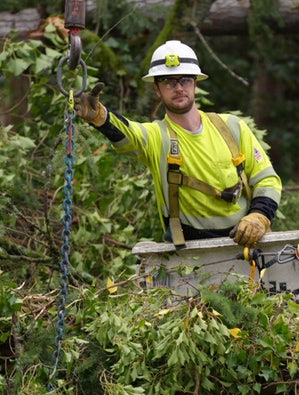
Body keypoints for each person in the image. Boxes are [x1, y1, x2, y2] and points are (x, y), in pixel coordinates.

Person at [74, 40, 282, 248]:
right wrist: (101, 118)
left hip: (245, 244)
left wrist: (259, 216)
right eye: (168, 82)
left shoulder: (232, 127)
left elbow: (267, 180)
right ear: (157, 89)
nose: (179, 88)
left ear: (195, 83)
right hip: (190, 254)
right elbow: (129, 133)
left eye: (185, 80)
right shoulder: (157, 136)